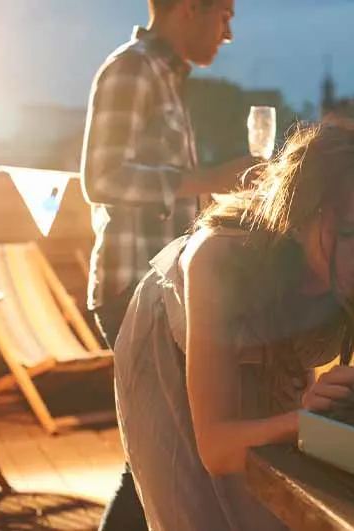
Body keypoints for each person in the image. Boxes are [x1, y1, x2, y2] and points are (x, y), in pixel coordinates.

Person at [114, 124, 354, 530]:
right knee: (198, 509)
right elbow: (217, 449)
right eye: (347, 232)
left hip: (273, 361)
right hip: (170, 345)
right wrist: (314, 422)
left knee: (274, 504)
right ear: (295, 222)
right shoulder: (219, 261)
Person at [79, 0, 252, 528]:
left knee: (161, 454)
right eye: (223, 15)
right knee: (160, 455)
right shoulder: (132, 68)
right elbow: (100, 178)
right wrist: (210, 178)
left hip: (154, 286)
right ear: (187, 9)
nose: (229, 32)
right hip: (132, 286)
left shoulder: (162, 75)